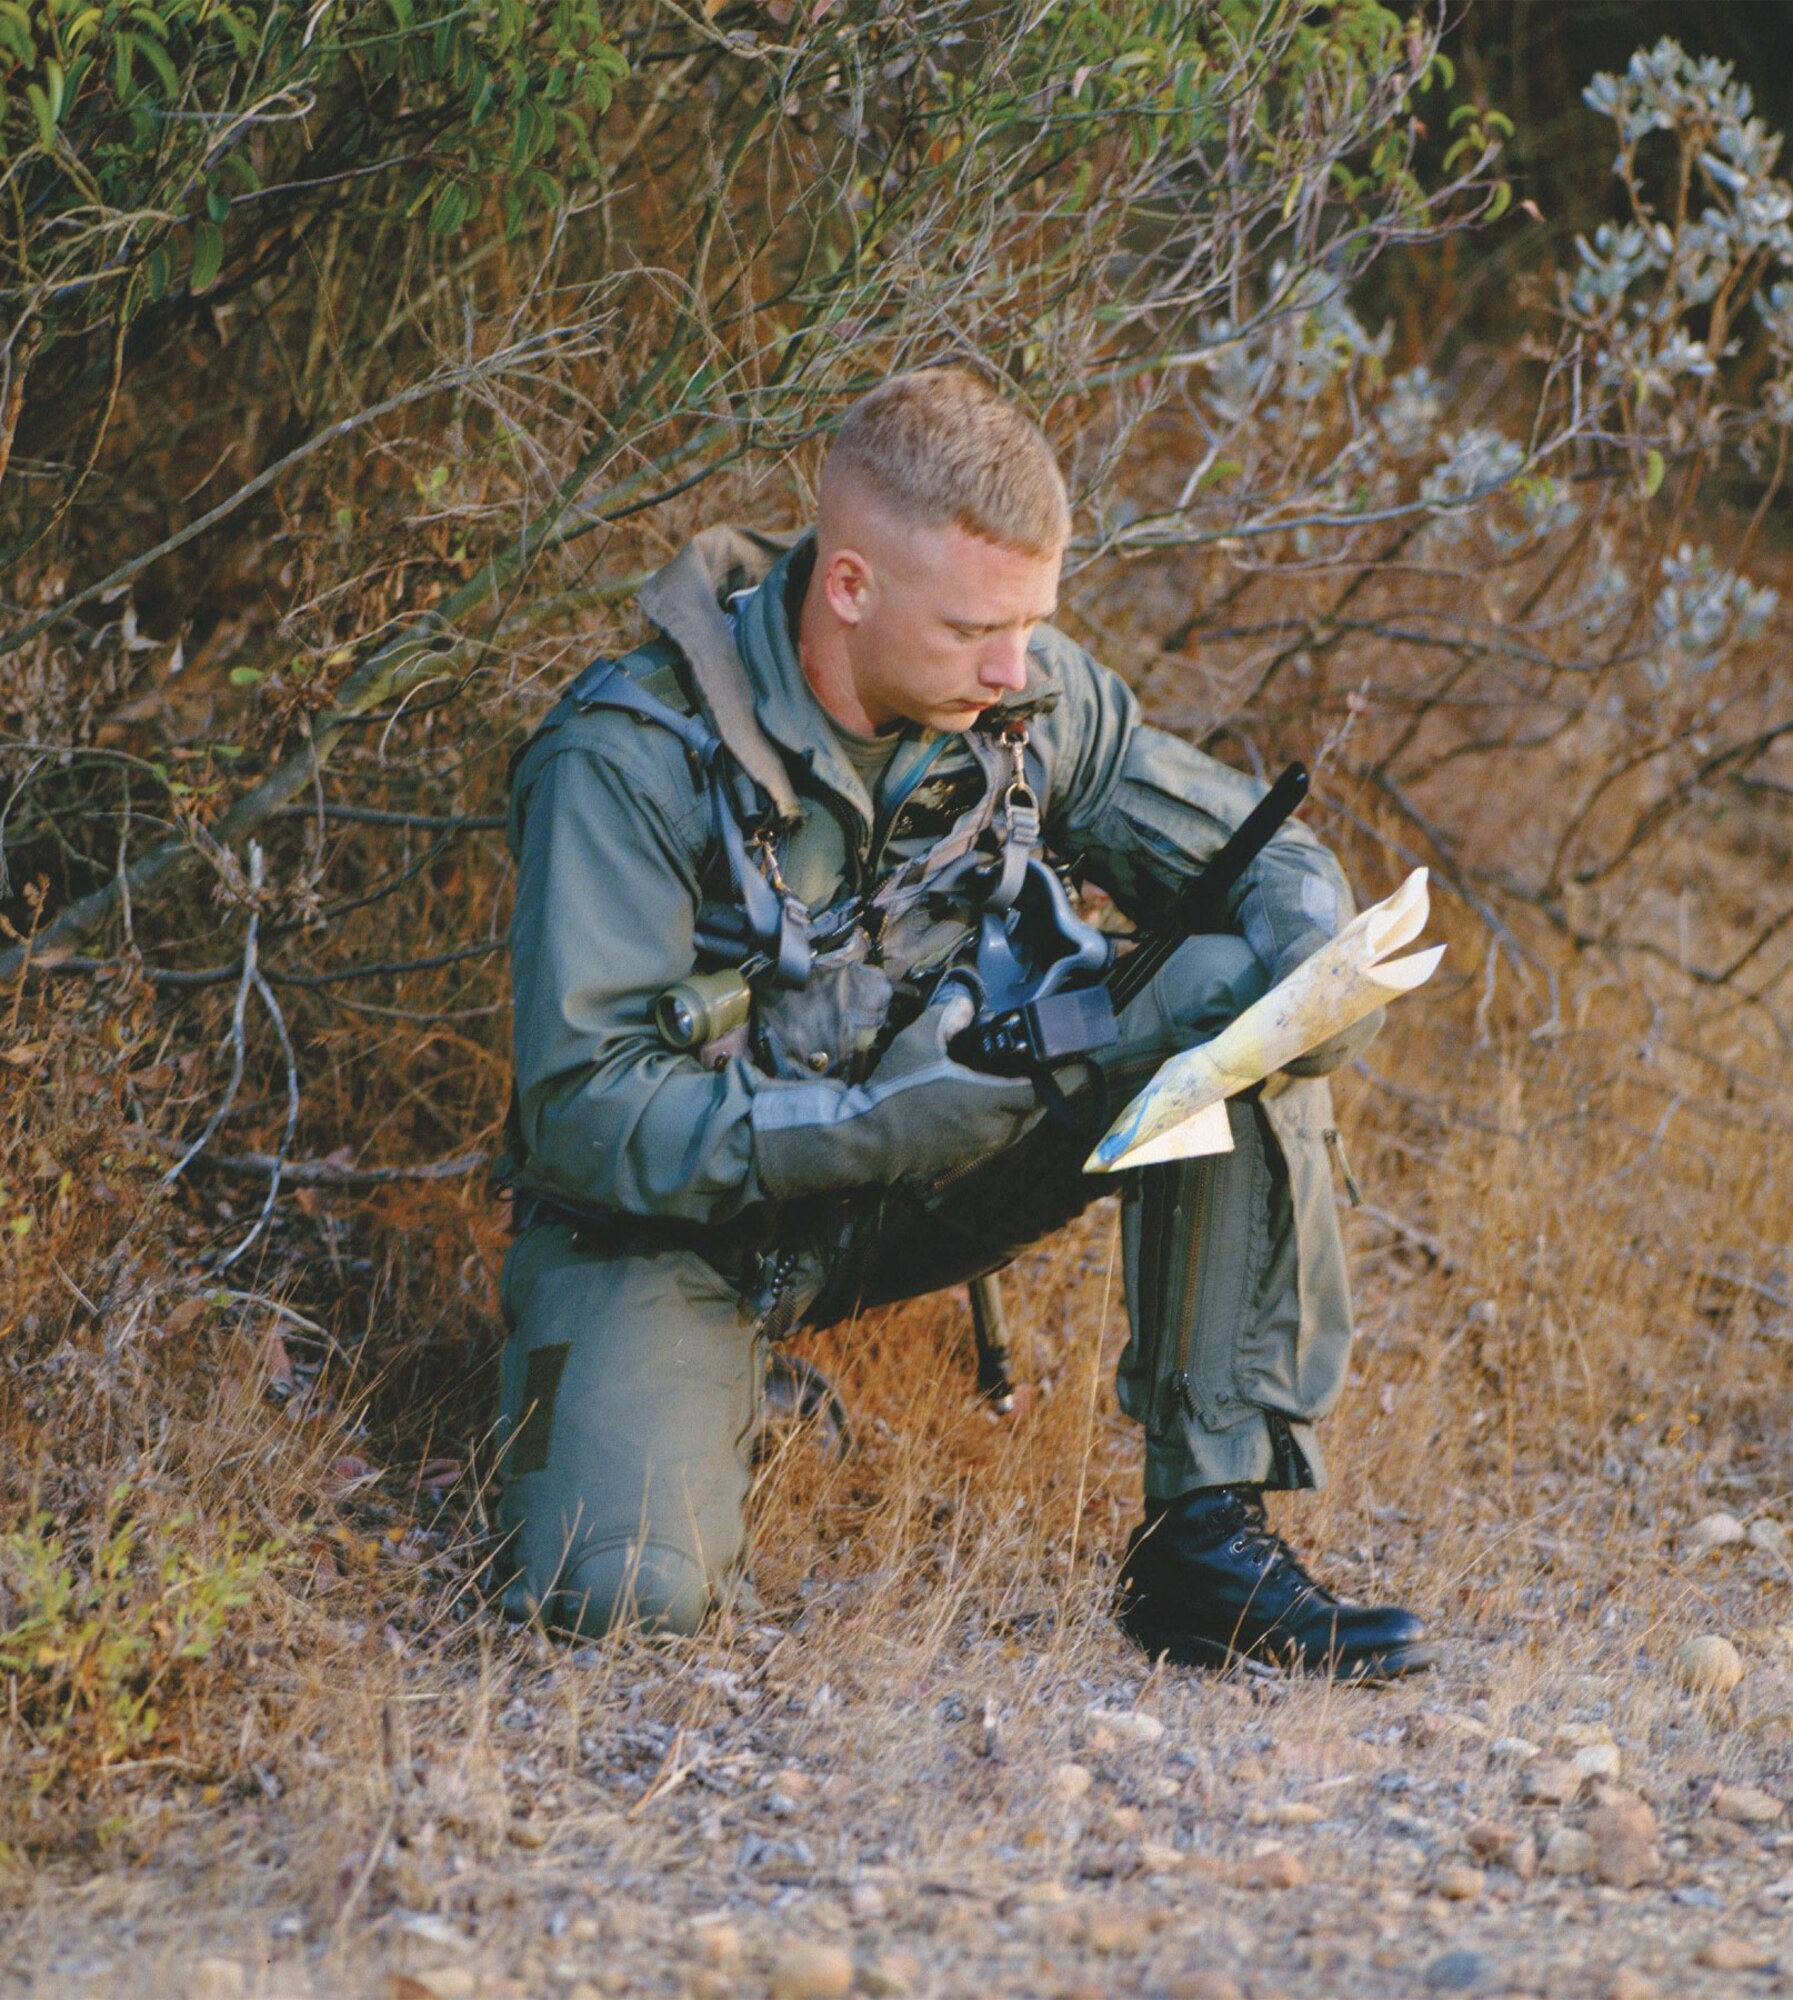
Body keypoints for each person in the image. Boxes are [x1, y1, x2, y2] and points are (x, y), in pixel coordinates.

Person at [494, 366, 1431, 1680]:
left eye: (1033, 622)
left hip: (943, 1174)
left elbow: (1260, 861)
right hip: (676, 1237)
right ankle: (703, 1390)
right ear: (849, 587)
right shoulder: (625, 759)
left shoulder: (1027, 690)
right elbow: (580, 1118)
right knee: (616, 1596)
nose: (1011, 671)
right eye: (972, 632)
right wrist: (869, 1117)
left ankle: (1205, 1542)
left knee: (1237, 998)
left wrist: (1308, 941)